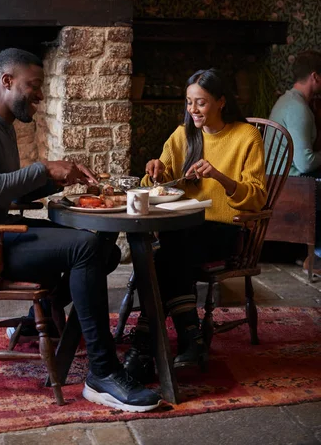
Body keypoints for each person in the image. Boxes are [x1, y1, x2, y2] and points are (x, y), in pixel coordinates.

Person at [0, 47, 160, 412]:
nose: (40, 94)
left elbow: (6, 188)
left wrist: (60, 179)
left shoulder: (3, 126)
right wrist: (43, 168)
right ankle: (101, 374)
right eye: (34, 85)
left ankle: (34, 321)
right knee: (86, 248)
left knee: (104, 250)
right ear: (6, 81)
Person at [124, 68, 267, 383]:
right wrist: (155, 171)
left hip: (228, 229)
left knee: (166, 253)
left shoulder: (246, 136)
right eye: (189, 103)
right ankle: (190, 338)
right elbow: (158, 184)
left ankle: (145, 341)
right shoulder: (182, 135)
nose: (193, 110)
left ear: (220, 102)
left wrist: (218, 175)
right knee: (172, 248)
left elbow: (256, 199)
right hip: (185, 230)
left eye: (200, 103)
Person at [269, 50, 321, 277]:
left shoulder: (286, 100)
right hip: (288, 184)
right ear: (315, 77)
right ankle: (316, 256)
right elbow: (306, 163)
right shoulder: (299, 108)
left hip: (277, 179)